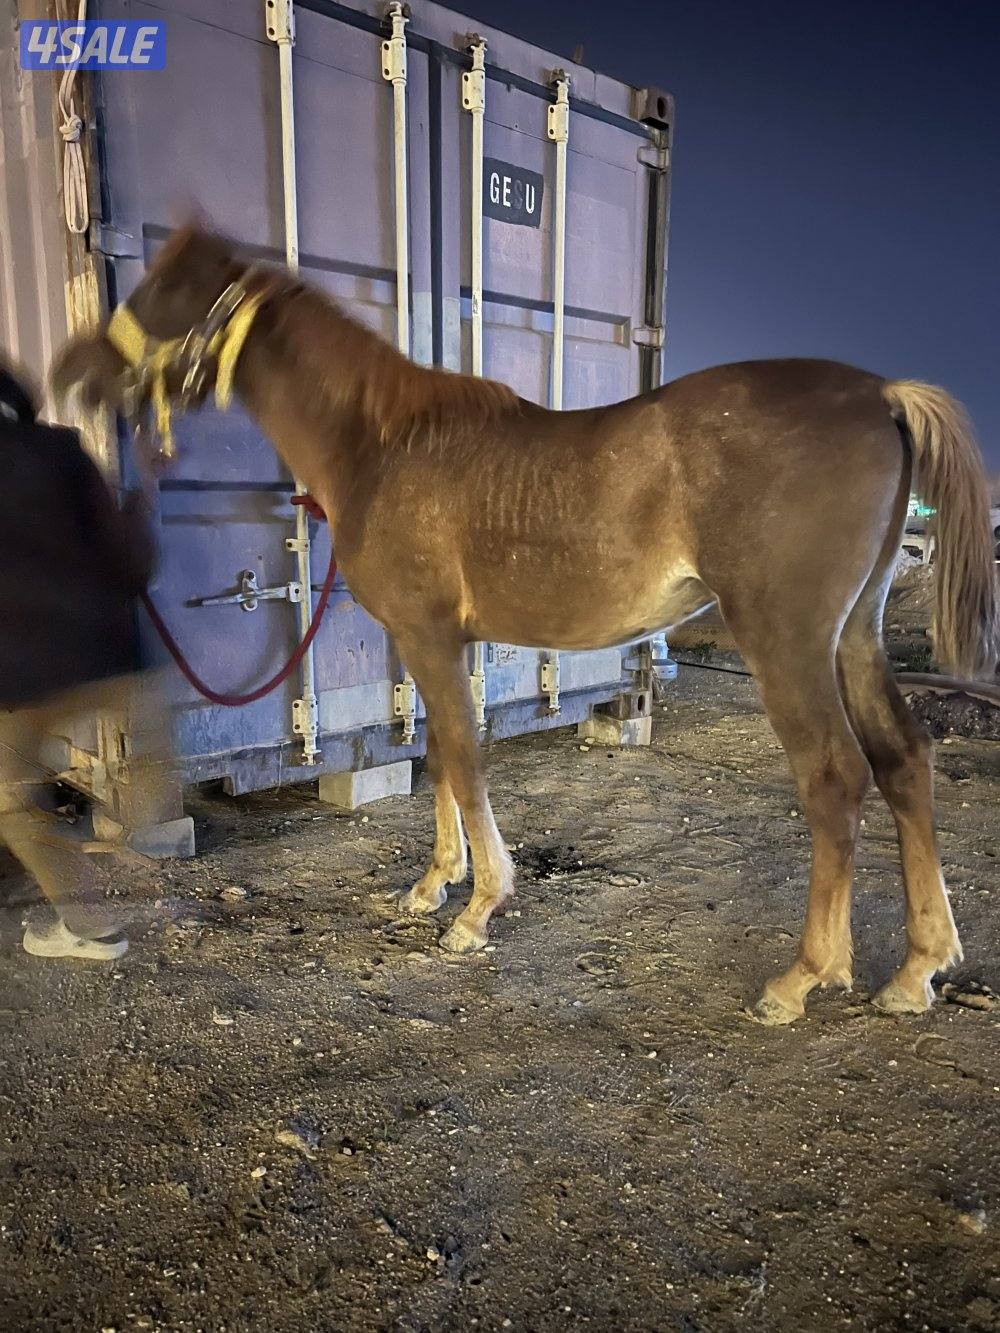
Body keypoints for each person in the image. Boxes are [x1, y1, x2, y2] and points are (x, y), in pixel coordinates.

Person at [0, 355, 157, 961]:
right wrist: (146, 486)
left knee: (16, 800)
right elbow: (132, 564)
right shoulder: (64, 454)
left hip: (20, 680)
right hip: (115, 662)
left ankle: (91, 927)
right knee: (144, 790)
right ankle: (129, 839)